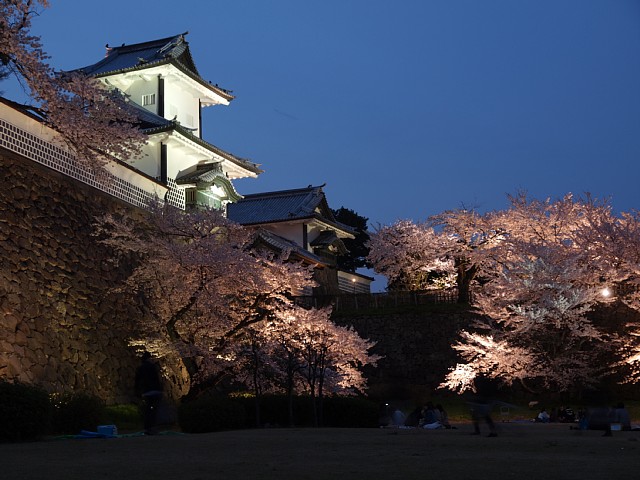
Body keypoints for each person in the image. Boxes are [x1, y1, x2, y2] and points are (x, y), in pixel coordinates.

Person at [135, 351, 163, 435]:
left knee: (148, 410)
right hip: (155, 391)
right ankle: (154, 427)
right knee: (155, 410)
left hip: (147, 392)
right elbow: (157, 379)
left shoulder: (141, 368)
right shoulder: (153, 367)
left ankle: (148, 428)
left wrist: (137, 391)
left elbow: (137, 381)